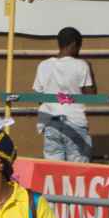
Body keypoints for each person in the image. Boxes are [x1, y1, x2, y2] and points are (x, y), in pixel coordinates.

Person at [33, 26, 96, 162]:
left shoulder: (43, 65)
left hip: (50, 122)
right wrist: (89, 68)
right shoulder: (81, 65)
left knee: (53, 168)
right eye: (79, 47)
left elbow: (38, 97)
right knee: (77, 170)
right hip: (75, 122)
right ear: (74, 44)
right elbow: (91, 95)